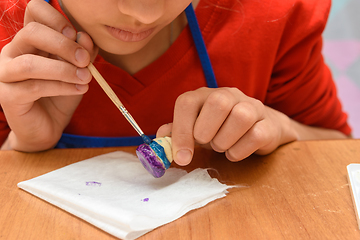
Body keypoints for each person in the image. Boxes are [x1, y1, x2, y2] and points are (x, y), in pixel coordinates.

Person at [0, 0, 351, 166]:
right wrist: (24, 143)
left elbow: (341, 152)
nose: (145, 14)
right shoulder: (9, 32)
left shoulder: (273, 16)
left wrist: (280, 127)